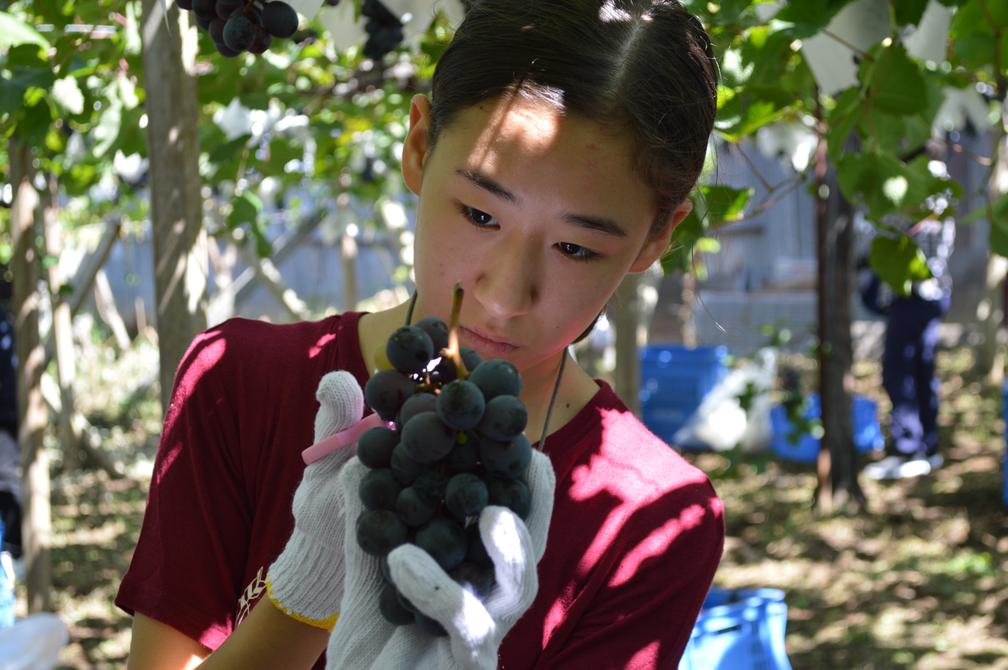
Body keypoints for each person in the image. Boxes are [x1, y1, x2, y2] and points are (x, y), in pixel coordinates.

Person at [115, 1, 726, 667]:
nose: (503, 295)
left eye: (576, 249)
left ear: (658, 235)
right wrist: (302, 603)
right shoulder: (238, 383)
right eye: (478, 213)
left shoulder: (657, 520)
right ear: (417, 147)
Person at [861, 216, 955, 480]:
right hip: (925, 295)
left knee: (898, 371)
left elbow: (920, 236)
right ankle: (927, 446)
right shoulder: (935, 188)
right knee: (920, 369)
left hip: (915, 295)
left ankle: (908, 449)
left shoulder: (922, 190)